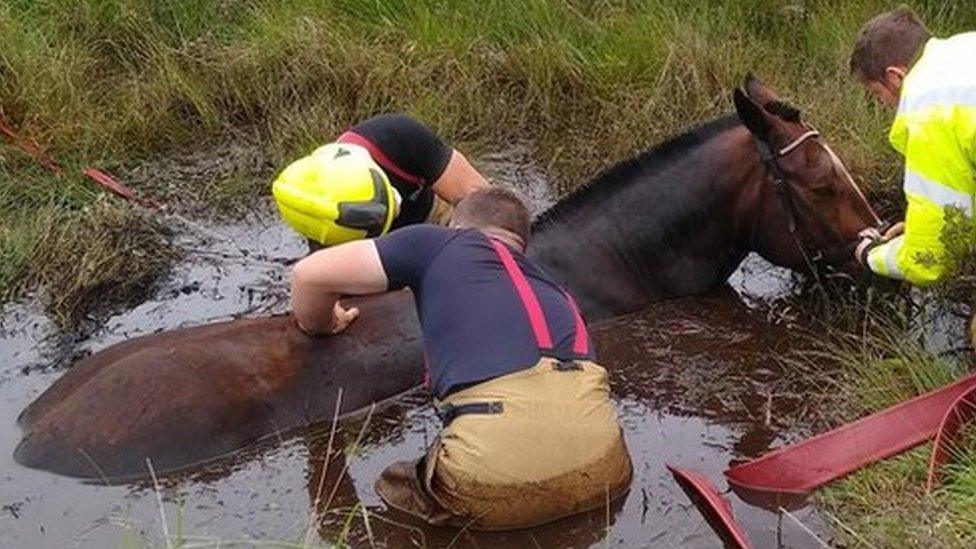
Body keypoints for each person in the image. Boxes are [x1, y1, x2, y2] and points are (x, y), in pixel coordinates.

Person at [290, 187, 632, 530]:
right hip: (610, 473)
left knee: (376, 501)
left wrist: (325, 324)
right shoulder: (556, 290)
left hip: (490, 481)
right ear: (522, 246)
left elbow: (309, 276)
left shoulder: (438, 244)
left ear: (455, 226)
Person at [850, 7, 976, 285]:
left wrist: (872, 254)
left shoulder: (929, 107)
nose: (883, 105)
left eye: (876, 93)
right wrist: (921, 226)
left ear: (896, 76)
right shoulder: (965, 47)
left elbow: (930, 260)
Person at [273, 114, 489, 250]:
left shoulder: (398, 137)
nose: (396, 210)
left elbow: (484, 201)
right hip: (366, 251)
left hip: (434, 213)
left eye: (391, 197)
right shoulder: (323, 222)